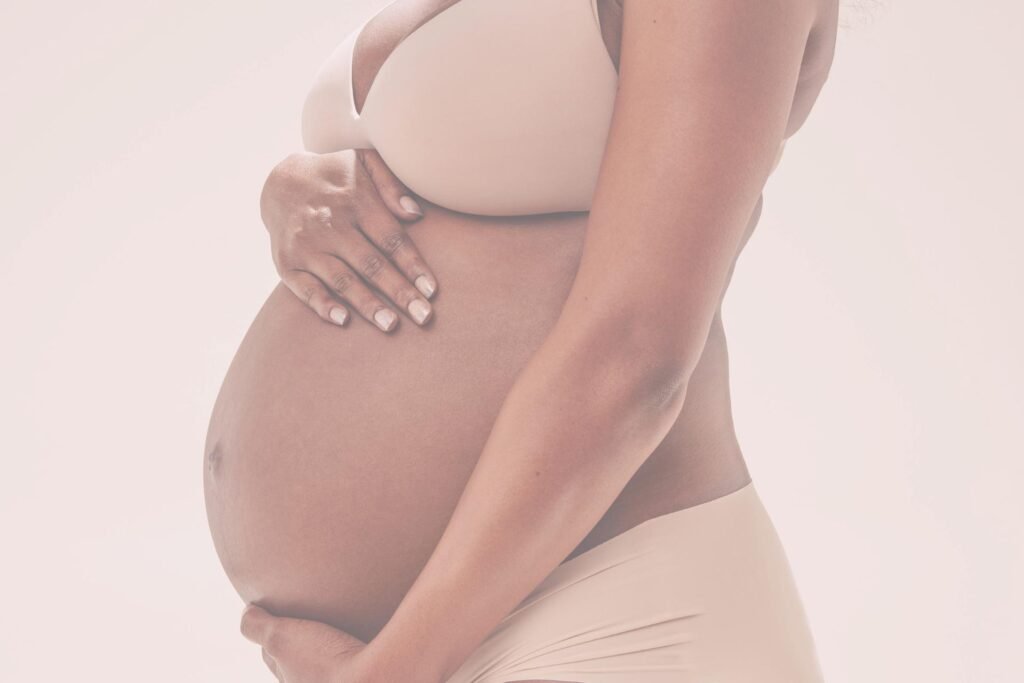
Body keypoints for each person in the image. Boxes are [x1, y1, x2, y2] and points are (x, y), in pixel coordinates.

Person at [205, 1, 840, 681]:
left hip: (619, 623)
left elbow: (635, 357)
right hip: (438, 644)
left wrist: (390, 673)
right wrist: (298, 185)